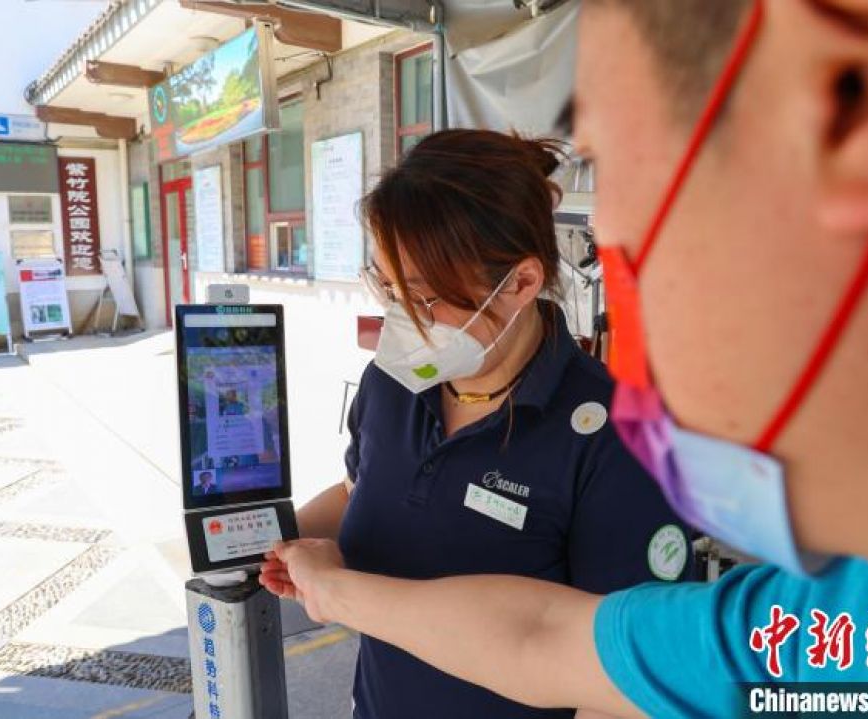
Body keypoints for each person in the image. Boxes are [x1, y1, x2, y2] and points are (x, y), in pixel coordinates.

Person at [261, 0, 868, 716]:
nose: (606, 229)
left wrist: (340, 592)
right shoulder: (818, 626)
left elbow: (564, 655)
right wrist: (280, 552)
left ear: (855, 91)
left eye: (615, 166)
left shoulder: (612, 431)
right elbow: (548, 640)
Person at [288, 128, 692, 719]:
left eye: (425, 298)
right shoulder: (392, 385)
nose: (403, 317)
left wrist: (335, 591)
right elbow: (361, 490)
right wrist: (265, 540)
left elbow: (625, 681)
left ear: (522, 283)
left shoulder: (619, 438)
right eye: (388, 286)